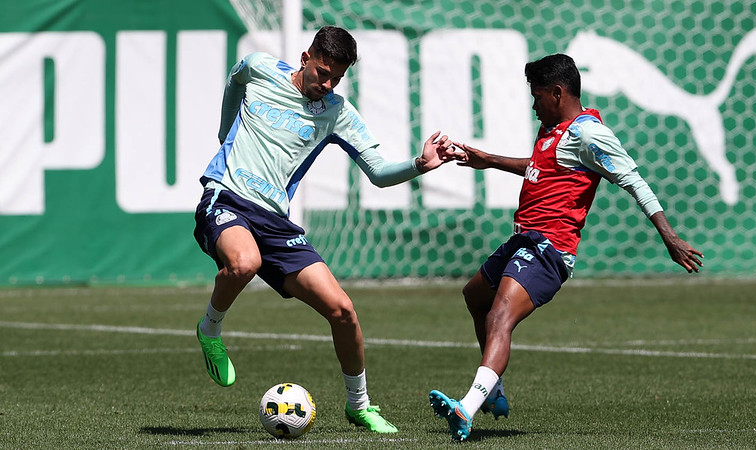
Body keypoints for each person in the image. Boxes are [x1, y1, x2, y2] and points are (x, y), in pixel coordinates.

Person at [428, 53, 704, 441]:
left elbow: (634, 180)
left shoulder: (589, 134)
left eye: (537, 96)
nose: (533, 105)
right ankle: (491, 387)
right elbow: (539, 169)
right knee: (475, 295)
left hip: (550, 250)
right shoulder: (552, 130)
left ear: (557, 93)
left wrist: (669, 237)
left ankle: (467, 408)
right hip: (524, 239)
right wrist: (487, 160)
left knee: (500, 315)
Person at [193, 26, 451, 434]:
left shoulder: (337, 112)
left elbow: (378, 172)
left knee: (342, 311)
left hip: (275, 220)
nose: (327, 85)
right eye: (322, 73)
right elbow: (236, 77)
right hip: (227, 195)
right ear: (305, 58)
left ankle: (359, 406)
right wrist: (225, 134)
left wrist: (419, 165)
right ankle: (210, 328)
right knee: (244, 263)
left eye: (337, 78)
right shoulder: (261, 68)